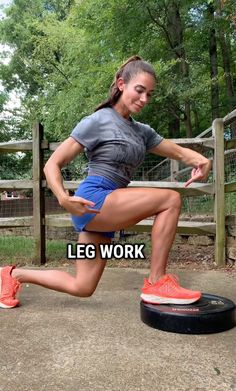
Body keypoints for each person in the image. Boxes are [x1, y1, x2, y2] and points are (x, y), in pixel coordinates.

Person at [0, 55, 211, 309]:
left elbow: (179, 153)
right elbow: (51, 164)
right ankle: (156, 282)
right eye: (139, 90)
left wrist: (203, 161)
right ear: (122, 84)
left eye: (149, 94)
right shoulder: (99, 120)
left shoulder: (142, 131)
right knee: (170, 199)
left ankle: (11, 275)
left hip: (109, 208)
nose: (144, 99)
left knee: (83, 286)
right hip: (96, 198)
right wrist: (64, 198)